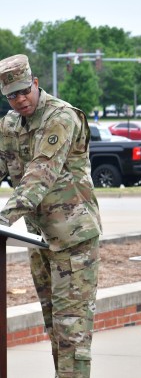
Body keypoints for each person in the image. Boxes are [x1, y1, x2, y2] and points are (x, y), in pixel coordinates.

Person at [0, 54, 102, 378]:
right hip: (40, 240)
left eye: (23, 91)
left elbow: (40, 174)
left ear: (35, 83)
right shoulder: (10, 125)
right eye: (11, 95)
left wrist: (3, 219)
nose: (19, 100)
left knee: (72, 333)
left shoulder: (61, 117)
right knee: (55, 330)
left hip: (74, 240)